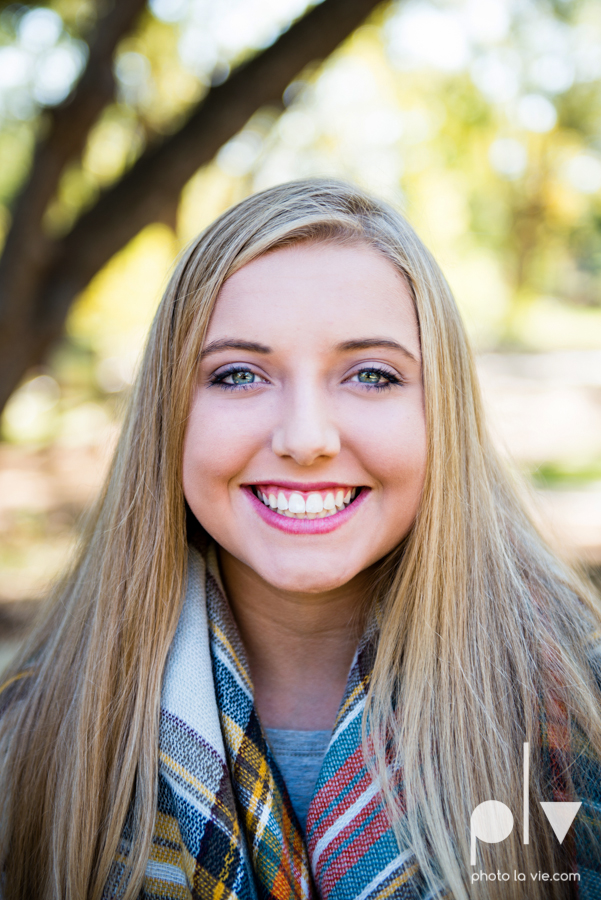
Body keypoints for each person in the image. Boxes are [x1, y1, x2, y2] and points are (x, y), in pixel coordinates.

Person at [0, 179, 600, 900]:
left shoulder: (575, 709)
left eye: (372, 375)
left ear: (440, 411)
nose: (306, 439)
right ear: (170, 416)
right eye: (240, 374)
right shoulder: (31, 737)